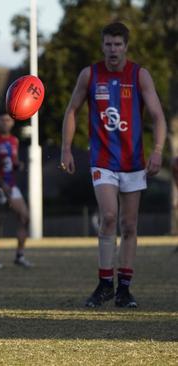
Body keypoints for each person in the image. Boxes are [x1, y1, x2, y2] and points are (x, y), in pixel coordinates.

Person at [60, 22, 166, 308]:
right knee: (109, 216)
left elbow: (157, 116)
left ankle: (124, 289)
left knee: (129, 224)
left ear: (126, 47)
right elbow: (72, 110)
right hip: (103, 160)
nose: (113, 49)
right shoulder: (90, 74)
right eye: (108, 44)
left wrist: (157, 151)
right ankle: (105, 283)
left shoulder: (139, 75)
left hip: (133, 162)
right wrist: (66, 149)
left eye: (118, 44)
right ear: (102, 45)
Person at [0, 111, 33, 268]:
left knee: (25, 217)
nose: (6, 122)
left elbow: (13, 160)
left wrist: (18, 165)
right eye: (2, 119)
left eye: (8, 120)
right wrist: (0, 183)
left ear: (12, 122)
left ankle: (20, 255)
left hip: (11, 184)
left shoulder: (14, 140)